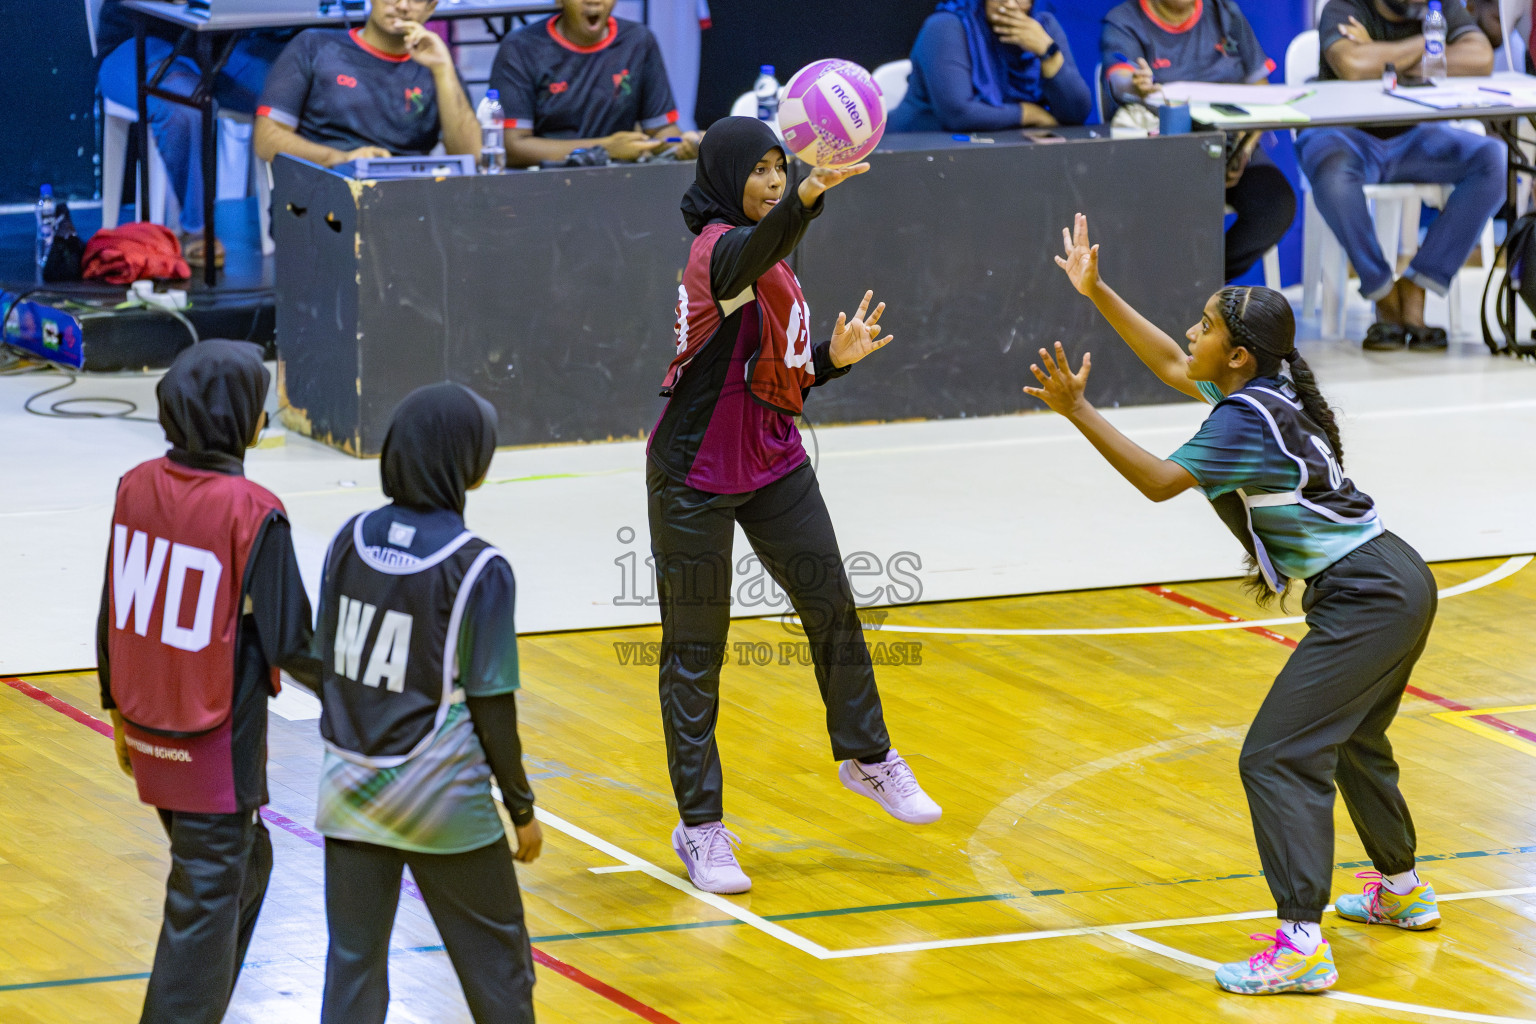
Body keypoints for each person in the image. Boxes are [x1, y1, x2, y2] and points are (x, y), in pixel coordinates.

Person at [1030, 214, 1441, 995]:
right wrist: (1097, 290)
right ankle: (1402, 890)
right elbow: (1167, 361)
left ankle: (1300, 943)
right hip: (1399, 577)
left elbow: (1157, 482)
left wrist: (1079, 412)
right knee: (1354, 742)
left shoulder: (1241, 422)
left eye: (1206, 325)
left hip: (1368, 594)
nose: (1193, 331)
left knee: (1275, 756)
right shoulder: (1267, 384)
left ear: (1238, 353)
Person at [648, 117, 942, 896]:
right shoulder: (718, 248)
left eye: (783, 169)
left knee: (832, 606)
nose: (774, 180)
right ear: (725, 177)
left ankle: (868, 757)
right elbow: (760, 249)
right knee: (695, 653)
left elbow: (765, 375)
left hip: (773, 459)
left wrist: (826, 364)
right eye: (762, 170)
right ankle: (701, 827)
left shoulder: (767, 250)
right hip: (694, 473)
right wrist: (811, 193)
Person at [97, 340, 319, 1023]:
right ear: (238, 415)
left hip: (148, 727)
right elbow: (295, 643)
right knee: (205, 898)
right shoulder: (254, 510)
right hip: (215, 743)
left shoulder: (134, 484)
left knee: (246, 868)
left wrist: (114, 711)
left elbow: (109, 610)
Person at [313, 382, 541, 1024]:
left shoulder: (347, 540)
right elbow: (495, 709)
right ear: (464, 458)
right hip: (443, 805)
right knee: (500, 973)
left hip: (348, 794)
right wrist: (521, 808)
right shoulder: (479, 566)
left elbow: (323, 660)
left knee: (352, 978)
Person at [1299, 0, 1502, 350]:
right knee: (1330, 170)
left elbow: (1481, 59)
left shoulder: (1440, 6)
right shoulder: (1343, 7)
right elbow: (1353, 64)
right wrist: (1429, 46)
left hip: (1414, 137)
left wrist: (1385, 57)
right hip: (1345, 135)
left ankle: (1419, 283)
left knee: (1492, 158)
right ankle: (1382, 291)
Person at [1100, 0, 1295, 284]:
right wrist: (1136, 83)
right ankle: (1174, 292)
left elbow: (1260, 89)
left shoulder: (1225, 13)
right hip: (1166, 158)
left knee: (1276, 205)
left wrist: (1245, 144)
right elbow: (1120, 78)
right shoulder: (1123, 21)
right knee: (1178, 213)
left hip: (1234, 147)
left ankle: (1199, 284)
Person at [95, 1, 289, 267]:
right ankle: (194, 226)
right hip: (138, 39)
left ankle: (316, 217)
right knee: (184, 107)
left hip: (224, 41)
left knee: (299, 87)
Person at [254, 0, 479, 170]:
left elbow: (471, 156)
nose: (403, 5)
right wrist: (343, 160)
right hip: (325, 193)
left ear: (431, 8)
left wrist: (443, 69)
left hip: (407, 202)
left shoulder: (437, 65)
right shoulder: (313, 45)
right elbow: (267, 139)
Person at [488, 0, 702, 167]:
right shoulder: (520, 47)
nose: (594, 2)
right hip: (544, 186)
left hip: (621, 183)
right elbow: (512, 147)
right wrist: (604, 149)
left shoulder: (638, 41)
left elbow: (662, 130)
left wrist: (684, 145)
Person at [889, 0, 1092, 132]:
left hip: (999, 154)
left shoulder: (1043, 28)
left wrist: (1048, 53)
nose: (1010, 4)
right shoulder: (945, 26)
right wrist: (1029, 113)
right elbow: (959, 114)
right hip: (916, 152)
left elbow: (1076, 115)